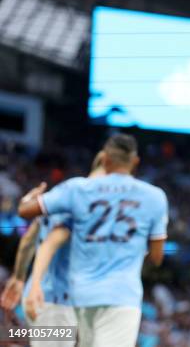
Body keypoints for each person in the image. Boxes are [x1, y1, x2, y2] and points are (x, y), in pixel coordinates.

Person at [18, 134, 168, 347]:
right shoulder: (153, 196)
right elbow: (157, 257)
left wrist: (20, 279)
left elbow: (27, 219)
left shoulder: (77, 192)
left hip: (78, 296)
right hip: (99, 297)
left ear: (105, 160)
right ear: (135, 162)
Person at [0, 153, 105, 347]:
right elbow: (49, 242)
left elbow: (28, 240)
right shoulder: (84, 203)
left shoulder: (60, 198)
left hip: (44, 298)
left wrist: (19, 277)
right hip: (56, 301)